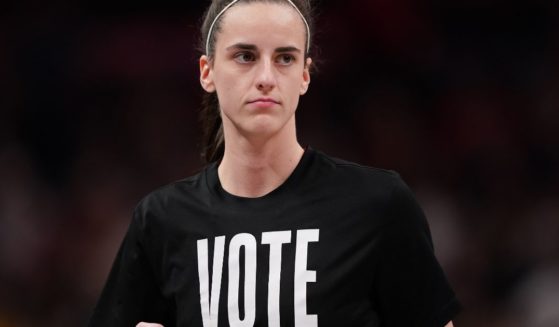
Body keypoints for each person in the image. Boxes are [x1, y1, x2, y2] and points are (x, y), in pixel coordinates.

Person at [88, 0, 461, 326]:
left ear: (304, 75)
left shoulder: (377, 206)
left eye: (284, 58)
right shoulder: (162, 221)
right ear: (207, 72)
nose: (266, 78)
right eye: (245, 56)